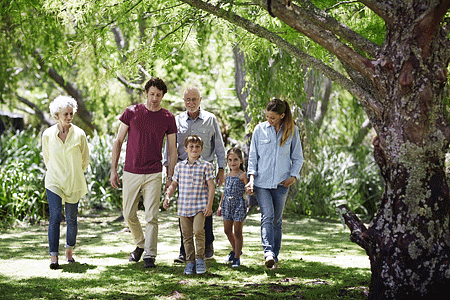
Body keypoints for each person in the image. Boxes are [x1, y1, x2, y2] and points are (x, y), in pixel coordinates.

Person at [110, 77, 177, 268]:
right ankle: (140, 243)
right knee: (128, 213)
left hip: (154, 172)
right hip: (131, 170)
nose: (154, 98)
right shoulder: (131, 112)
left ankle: (150, 255)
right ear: (145, 93)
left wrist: (170, 176)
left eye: (158, 95)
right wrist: (113, 169)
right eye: (152, 94)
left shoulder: (168, 118)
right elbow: (118, 141)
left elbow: (172, 149)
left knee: (151, 216)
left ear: (162, 96)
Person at [164, 86, 226, 262]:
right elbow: (170, 148)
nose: (191, 103)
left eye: (194, 99)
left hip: (204, 172)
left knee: (204, 209)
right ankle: (185, 251)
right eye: (188, 100)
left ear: (200, 100)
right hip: (183, 173)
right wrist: (169, 173)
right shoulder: (177, 121)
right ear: (184, 101)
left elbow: (219, 145)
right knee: (184, 211)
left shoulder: (210, 119)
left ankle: (207, 246)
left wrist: (221, 169)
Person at [245, 98, 303, 269]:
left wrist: (294, 176)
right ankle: (268, 252)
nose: (269, 121)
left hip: (281, 184)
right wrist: (251, 179)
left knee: (277, 221)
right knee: (267, 216)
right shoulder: (259, 129)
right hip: (262, 183)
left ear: (282, 116)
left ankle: (273, 259)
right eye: (267, 117)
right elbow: (253, 157)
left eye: (273, 118)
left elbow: (298, 158)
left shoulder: (292, 131)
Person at [42, 95, 89, 269]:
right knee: (54, 216)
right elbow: (47, 158)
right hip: (54, 180)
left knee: (71, 219)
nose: (69, 117)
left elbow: (85, 159)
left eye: (71, 113)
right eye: (66, 114)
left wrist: (74, 172)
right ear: (57, 115)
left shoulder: (79, 134)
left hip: (74, 180)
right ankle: (53, 257)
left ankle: (69, 251)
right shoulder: (47, 134)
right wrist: (57, 171)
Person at [163, 135, 215, 275]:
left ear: (201, 149)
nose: (194, 149)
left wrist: (209, 205)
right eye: (191, 146)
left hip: (200, 206)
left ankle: (200, 260)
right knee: (186, 235)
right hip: (184, 207)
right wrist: (168, 196)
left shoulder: (206, 166)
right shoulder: (179, 166)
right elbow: (174, 184)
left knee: (198, 231)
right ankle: (190, 262)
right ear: (185, 148)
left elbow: (211, 187)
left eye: (197, 146)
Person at [217, 148, 249, 268]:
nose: (232, 162)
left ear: (241, 160)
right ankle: (236, 250)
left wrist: (249, 189)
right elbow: (224, 192)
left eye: (235, 159)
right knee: (227, 230)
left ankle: (236, 258)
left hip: (238, 205)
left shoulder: (243, 175)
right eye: (230, 160)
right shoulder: (227, 175)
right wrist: (220, 206)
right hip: (226, 205)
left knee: (237, 232)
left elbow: (247, 189)